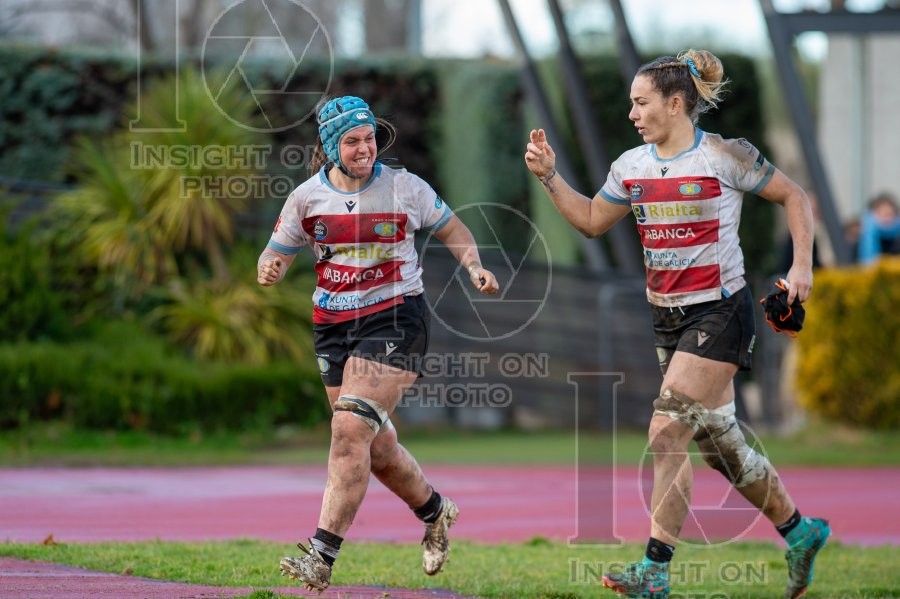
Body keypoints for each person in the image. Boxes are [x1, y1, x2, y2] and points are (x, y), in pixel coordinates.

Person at [524, 49, 829, 599]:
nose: (633, 114)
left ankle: (655, 572)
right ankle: (802, 532)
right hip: (667, 319)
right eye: (631, 104)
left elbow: (794, 196)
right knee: (721, 449)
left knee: (666, 433)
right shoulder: (631, 166)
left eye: (641, 103)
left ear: (674, 102)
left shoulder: (723, 156)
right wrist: (549, 177)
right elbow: (593, 220)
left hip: (721, 312)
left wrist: (801, 267)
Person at [258, 95, 499, 592]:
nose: (364, 148)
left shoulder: (405, 187)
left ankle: (320, 556)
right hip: (333, 326)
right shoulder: (307, 198)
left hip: (396, 319)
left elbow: (453, 229)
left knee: (348, 429)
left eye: (369, 138)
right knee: (377, 446)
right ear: (331, 147)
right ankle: (436, 511)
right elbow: (277, 250)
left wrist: (474, 265)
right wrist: (270, 266)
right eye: (352, 142)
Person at [857, 191, 900, 264]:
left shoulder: (897, 240)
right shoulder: (860, 238)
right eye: (882, 214)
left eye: (889, 214)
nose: (886, 219)